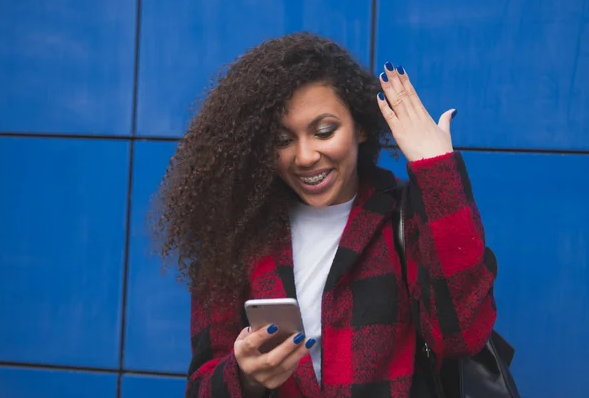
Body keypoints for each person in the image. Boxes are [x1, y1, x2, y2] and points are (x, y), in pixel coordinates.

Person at [152, 32, 497, 398]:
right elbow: (201, 387)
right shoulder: (239, 229)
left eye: (324, 131)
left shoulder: (405, 212)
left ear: (360, 127)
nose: (304, 156)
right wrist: (246, 377)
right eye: (283, 140)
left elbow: (463, 335)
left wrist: (436, 170)